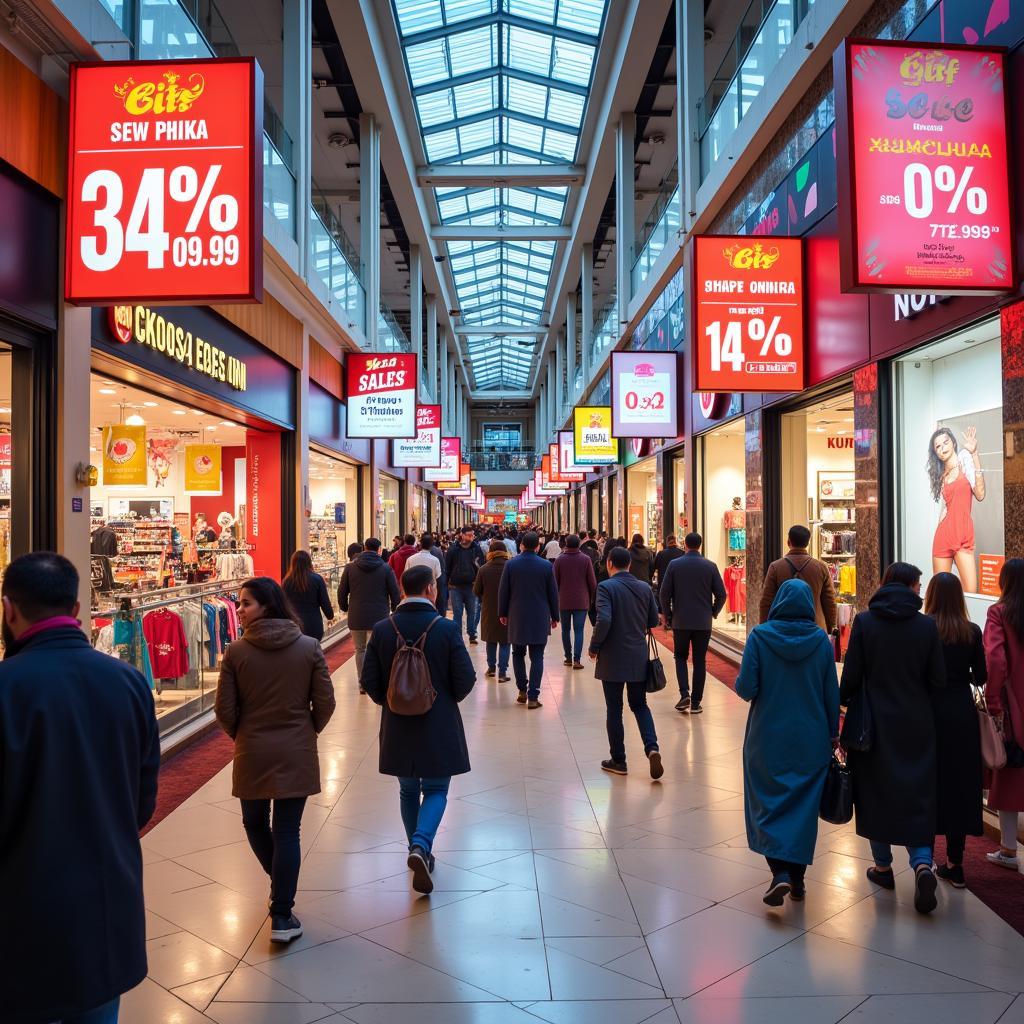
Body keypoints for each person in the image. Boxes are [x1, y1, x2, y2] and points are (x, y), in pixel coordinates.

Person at [0, 553, 160, 1024]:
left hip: (21, 910)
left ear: (9, 608)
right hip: (107, 903)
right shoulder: (129, 682)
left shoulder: (7, 687)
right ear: (76, 609)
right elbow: (141, 800)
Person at [215, 577, 335, 943]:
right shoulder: (310, 647)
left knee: (255, 823)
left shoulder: (236, 652)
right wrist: (307, 730)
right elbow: (326, 702)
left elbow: (225, 710)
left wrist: (243, 734)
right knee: (287, 831)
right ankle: (282, 913)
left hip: (252, 748)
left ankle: (279, 889)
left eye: (245, 603)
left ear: (265, 606)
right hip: (295, 749)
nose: (238, 609)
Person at [361, 565, 476, 894]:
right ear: (431, 589)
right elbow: (465, 679)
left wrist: (395, 701)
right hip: (438, 722)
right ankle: (421, 846)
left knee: (408, 790)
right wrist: (443, 699)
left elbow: (369, 680)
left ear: (401, 587)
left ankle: (417, 848)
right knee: (437, 789)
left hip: (398, 723)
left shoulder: (383, 629)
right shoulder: (446, 629)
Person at [840, 562, 945, 914]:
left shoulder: (866, 622)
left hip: (873, 724)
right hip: (917, 723)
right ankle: (921, 862)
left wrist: (844, 702)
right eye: (919, 585)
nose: (920, 591)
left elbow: (851, 675)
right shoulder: (926, 626)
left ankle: (883, 866)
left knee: (875, 793)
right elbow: (938, 680)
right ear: (911, 586)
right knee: (918, 792)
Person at [736, 579, 840, 905]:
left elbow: (746, 688)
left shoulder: (760, 637)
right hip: (811, 735)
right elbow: (830, 693)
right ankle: (797, 879)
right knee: (803, 806)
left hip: (767, 734)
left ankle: (779, 871)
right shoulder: (821, 642)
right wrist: (834, 734)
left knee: (767, 800)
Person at [924, 572, 986, 887]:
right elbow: (982, 675)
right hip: (961, 713)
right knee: (960, 783)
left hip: (930, 712)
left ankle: (923, 857)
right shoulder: (972, 631)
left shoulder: (924, 630)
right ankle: (955, 862)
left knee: (928, 779)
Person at [588, 546, 663, 779]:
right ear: (629, 564)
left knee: (614, 707)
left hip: (612, 656)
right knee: (640, 704)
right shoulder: (644, 587)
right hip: (637, 655)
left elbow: (604, 619)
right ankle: (652, 748)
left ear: (609, 563)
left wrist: (594, 646)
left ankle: (619, 760)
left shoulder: (605, 587)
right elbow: (653, 620)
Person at [983, 557, 1024, 870]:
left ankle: (1009, 849)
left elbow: (995, 660)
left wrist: (993, 700)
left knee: (1009, 773)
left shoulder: (999, 613)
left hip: (1013, 704)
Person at [659, 532, 727, 714]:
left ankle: (684, 693)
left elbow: (664, 593)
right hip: (703, 622)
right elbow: (722, 594)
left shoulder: (675, 565)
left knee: (680, 657)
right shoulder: (710, 566)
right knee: (699, 661)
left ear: (685, 545)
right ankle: (696, 702)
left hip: (681, 621)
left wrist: (668, 614)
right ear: (700, 545)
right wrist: (713, 611)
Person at [498, 531, 560, 708]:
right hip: (540, 616)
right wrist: (555, 616)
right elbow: (553, 594)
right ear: (539, 546)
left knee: (517, 653)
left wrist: (502, 613)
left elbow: (504, 592)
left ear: (521, 545)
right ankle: (533, 696)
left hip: (516, 615)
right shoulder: (546, 566)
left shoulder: (511, 565)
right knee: (537, 656)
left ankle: (522, 690)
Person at [929, 425, 986, 593]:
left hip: (963, 537)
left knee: (970, 594)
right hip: (943, 537)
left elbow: (980, 494)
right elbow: (947, 507)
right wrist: (939, 528)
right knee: (940, 595)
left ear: (953, 443)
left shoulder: (964, 461)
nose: (942, 448)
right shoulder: (941, 475)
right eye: (937, 447)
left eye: (945, 443)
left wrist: (974, 454)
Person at [338, 538, 400, 688]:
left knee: (360, 649)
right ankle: (376, 681)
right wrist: (394, 609)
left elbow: (342, 591)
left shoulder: (350, 568)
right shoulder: (385, 568)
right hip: (379, 615)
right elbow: (395, 593)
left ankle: (363, 682)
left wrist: (345, 607)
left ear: (364, 548)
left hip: (357, 614)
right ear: (379, 550)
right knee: (377, 649)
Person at [760, 525, 837, 633]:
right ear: (808, 543)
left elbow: (766, 602)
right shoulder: (821, 567)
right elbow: (829, 601)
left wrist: (764, 628)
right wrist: (831, 627)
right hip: (815, 629)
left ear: (788, 542)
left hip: (782, 630)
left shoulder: (775, 567)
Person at [554, 533, 597, 669]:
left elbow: (554, 582)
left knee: (565, 630)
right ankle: (577, 660)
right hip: (581, 601)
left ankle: (568, 658)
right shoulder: (585, 559)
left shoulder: (560, 560)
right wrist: (591, 598)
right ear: (579, 544)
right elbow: (592, 583)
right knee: (579, 630)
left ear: (566, 544)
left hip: (564, 601)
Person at [474, 539, 512, 680]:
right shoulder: (510, 567)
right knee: (505, 641)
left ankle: (491, 668)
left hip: (488, 609)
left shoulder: (484, 569)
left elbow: (476, 590)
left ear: (490, 553)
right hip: (507, 609)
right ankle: (502, 673)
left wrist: (485, 597)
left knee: (491, 640)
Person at [282, 549, 335, 641]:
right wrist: (330, 615)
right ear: (309, 562)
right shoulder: (317, 579)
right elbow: (325, 602)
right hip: (313, 622)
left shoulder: (287, 581)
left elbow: (283, 604)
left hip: (293, 623)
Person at [446, 525, 485, 645]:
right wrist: (448, 582)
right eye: (468, 535)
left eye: (472, 535)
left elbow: (481, 566)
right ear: (462, 535)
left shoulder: (476, 548)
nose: (471, 537)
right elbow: (447, 566)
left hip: (471, 586)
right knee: (457, 613)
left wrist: (479, 582)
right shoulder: (453, 549)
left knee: (472, 612)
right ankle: (457, 636)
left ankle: (472, 634)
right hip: (456, 587)